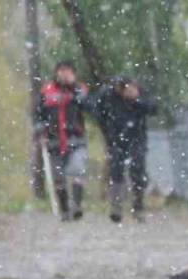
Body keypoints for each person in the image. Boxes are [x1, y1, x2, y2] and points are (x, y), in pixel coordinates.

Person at [93, 75, 158, 223]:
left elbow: (153, 108)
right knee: (116, 170)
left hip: (137, 136)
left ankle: (138, 206)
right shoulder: (107, 95)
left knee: (138, 168)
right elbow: (97, 111)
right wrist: (107, 130)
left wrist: (137, 100)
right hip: (116, 137)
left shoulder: (140, 92)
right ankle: (116, 207)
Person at [34, 61, 91, 221]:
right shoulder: (46, 91)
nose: (64, 74)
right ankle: (64, 209)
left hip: (76, 138)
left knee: (78, 171)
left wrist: (73, 90)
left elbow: (87, 106)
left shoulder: (81, 89)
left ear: (73, 73)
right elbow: (39, 115)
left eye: (67, 71)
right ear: (56, 72)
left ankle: (77, 205)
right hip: (54, 141)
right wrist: (40, 132)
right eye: (61, 71)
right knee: (58, 178)